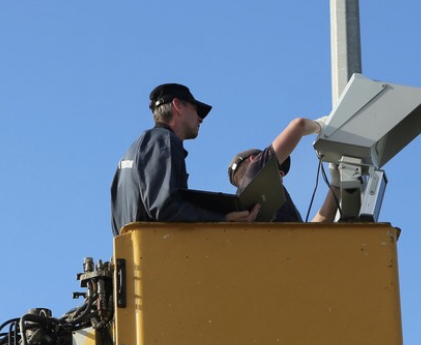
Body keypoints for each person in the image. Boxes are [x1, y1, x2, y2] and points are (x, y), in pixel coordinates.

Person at [111, 83, 259, 236]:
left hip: (133, 253)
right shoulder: (164, 141)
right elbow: (164, 207)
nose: (200, 118)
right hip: (157, 252)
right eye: (196, 109)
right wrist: (222, 218)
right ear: (177, 106)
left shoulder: (134, 150)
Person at [227, 117, 339, 223]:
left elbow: (312, 232)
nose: (282, 173)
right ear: (253, 160)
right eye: (275, 167)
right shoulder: (254, 172)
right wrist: (323, 125)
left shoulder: (245, 211)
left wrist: (336, 185)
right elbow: (299, 125)